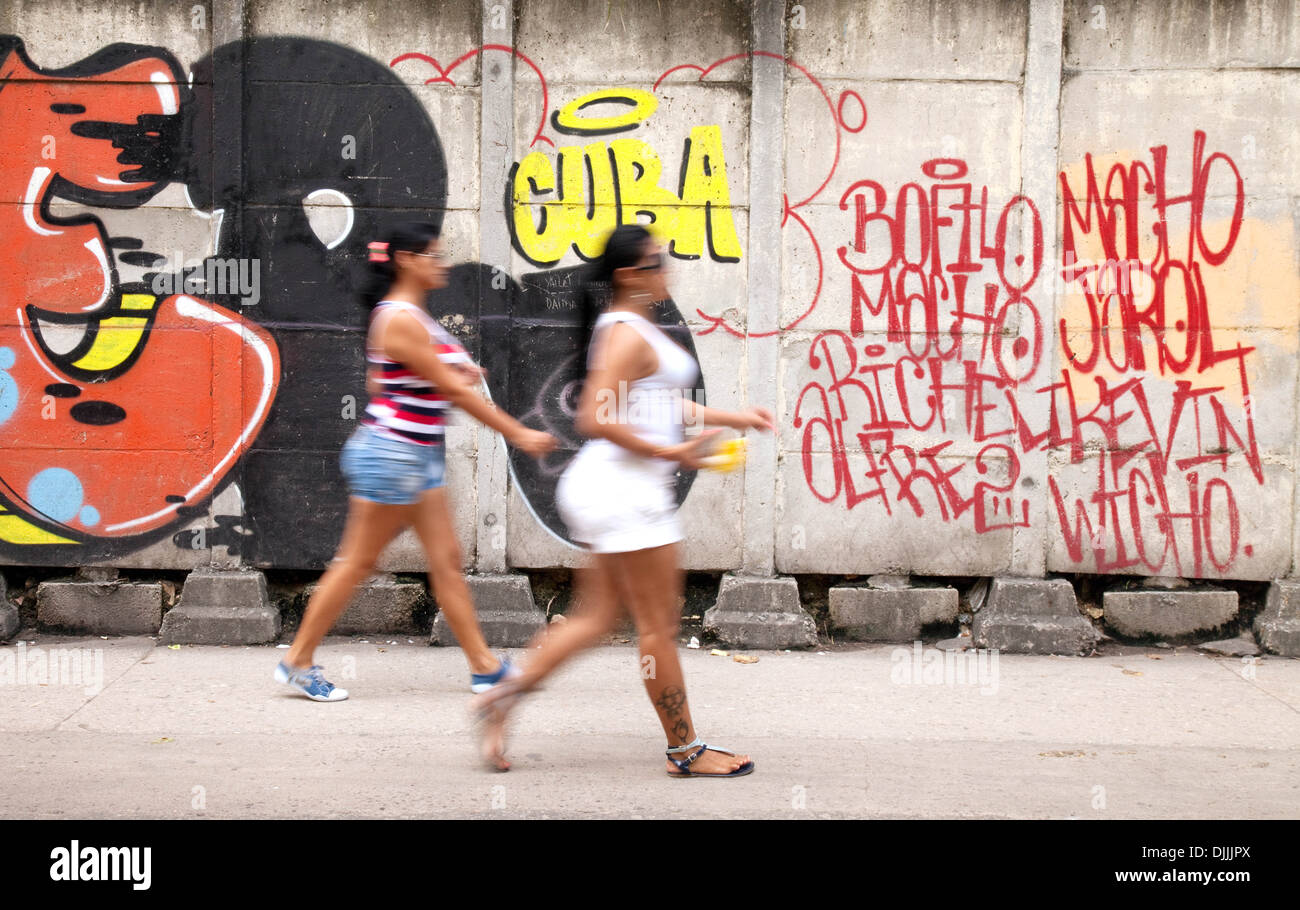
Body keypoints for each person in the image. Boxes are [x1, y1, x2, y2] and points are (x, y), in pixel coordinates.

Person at [470, 224, 773, 775]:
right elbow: (595, 417)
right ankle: (685, 751)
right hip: (623, 493)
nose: (667, 269)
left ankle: (502, 695)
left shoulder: (634, 326)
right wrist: (677, 456)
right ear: (628, 275)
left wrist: (736, 418)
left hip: (611, 489)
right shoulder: (627, 333)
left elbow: (661, 406)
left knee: (598, 619)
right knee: (658, 628)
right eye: (657, 262)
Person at [276, 221, 555, 702]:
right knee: (357, 562)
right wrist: (516, 432)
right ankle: (297, 661)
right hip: (392, 455)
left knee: (444, 562)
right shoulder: (400, 318)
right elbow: (446, 390)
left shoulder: (411, 316)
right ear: (407, 259)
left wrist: (453, 369)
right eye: (433, 255)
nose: (441, 263)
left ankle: (485, 667)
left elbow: (383, 382)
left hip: (414, 455)